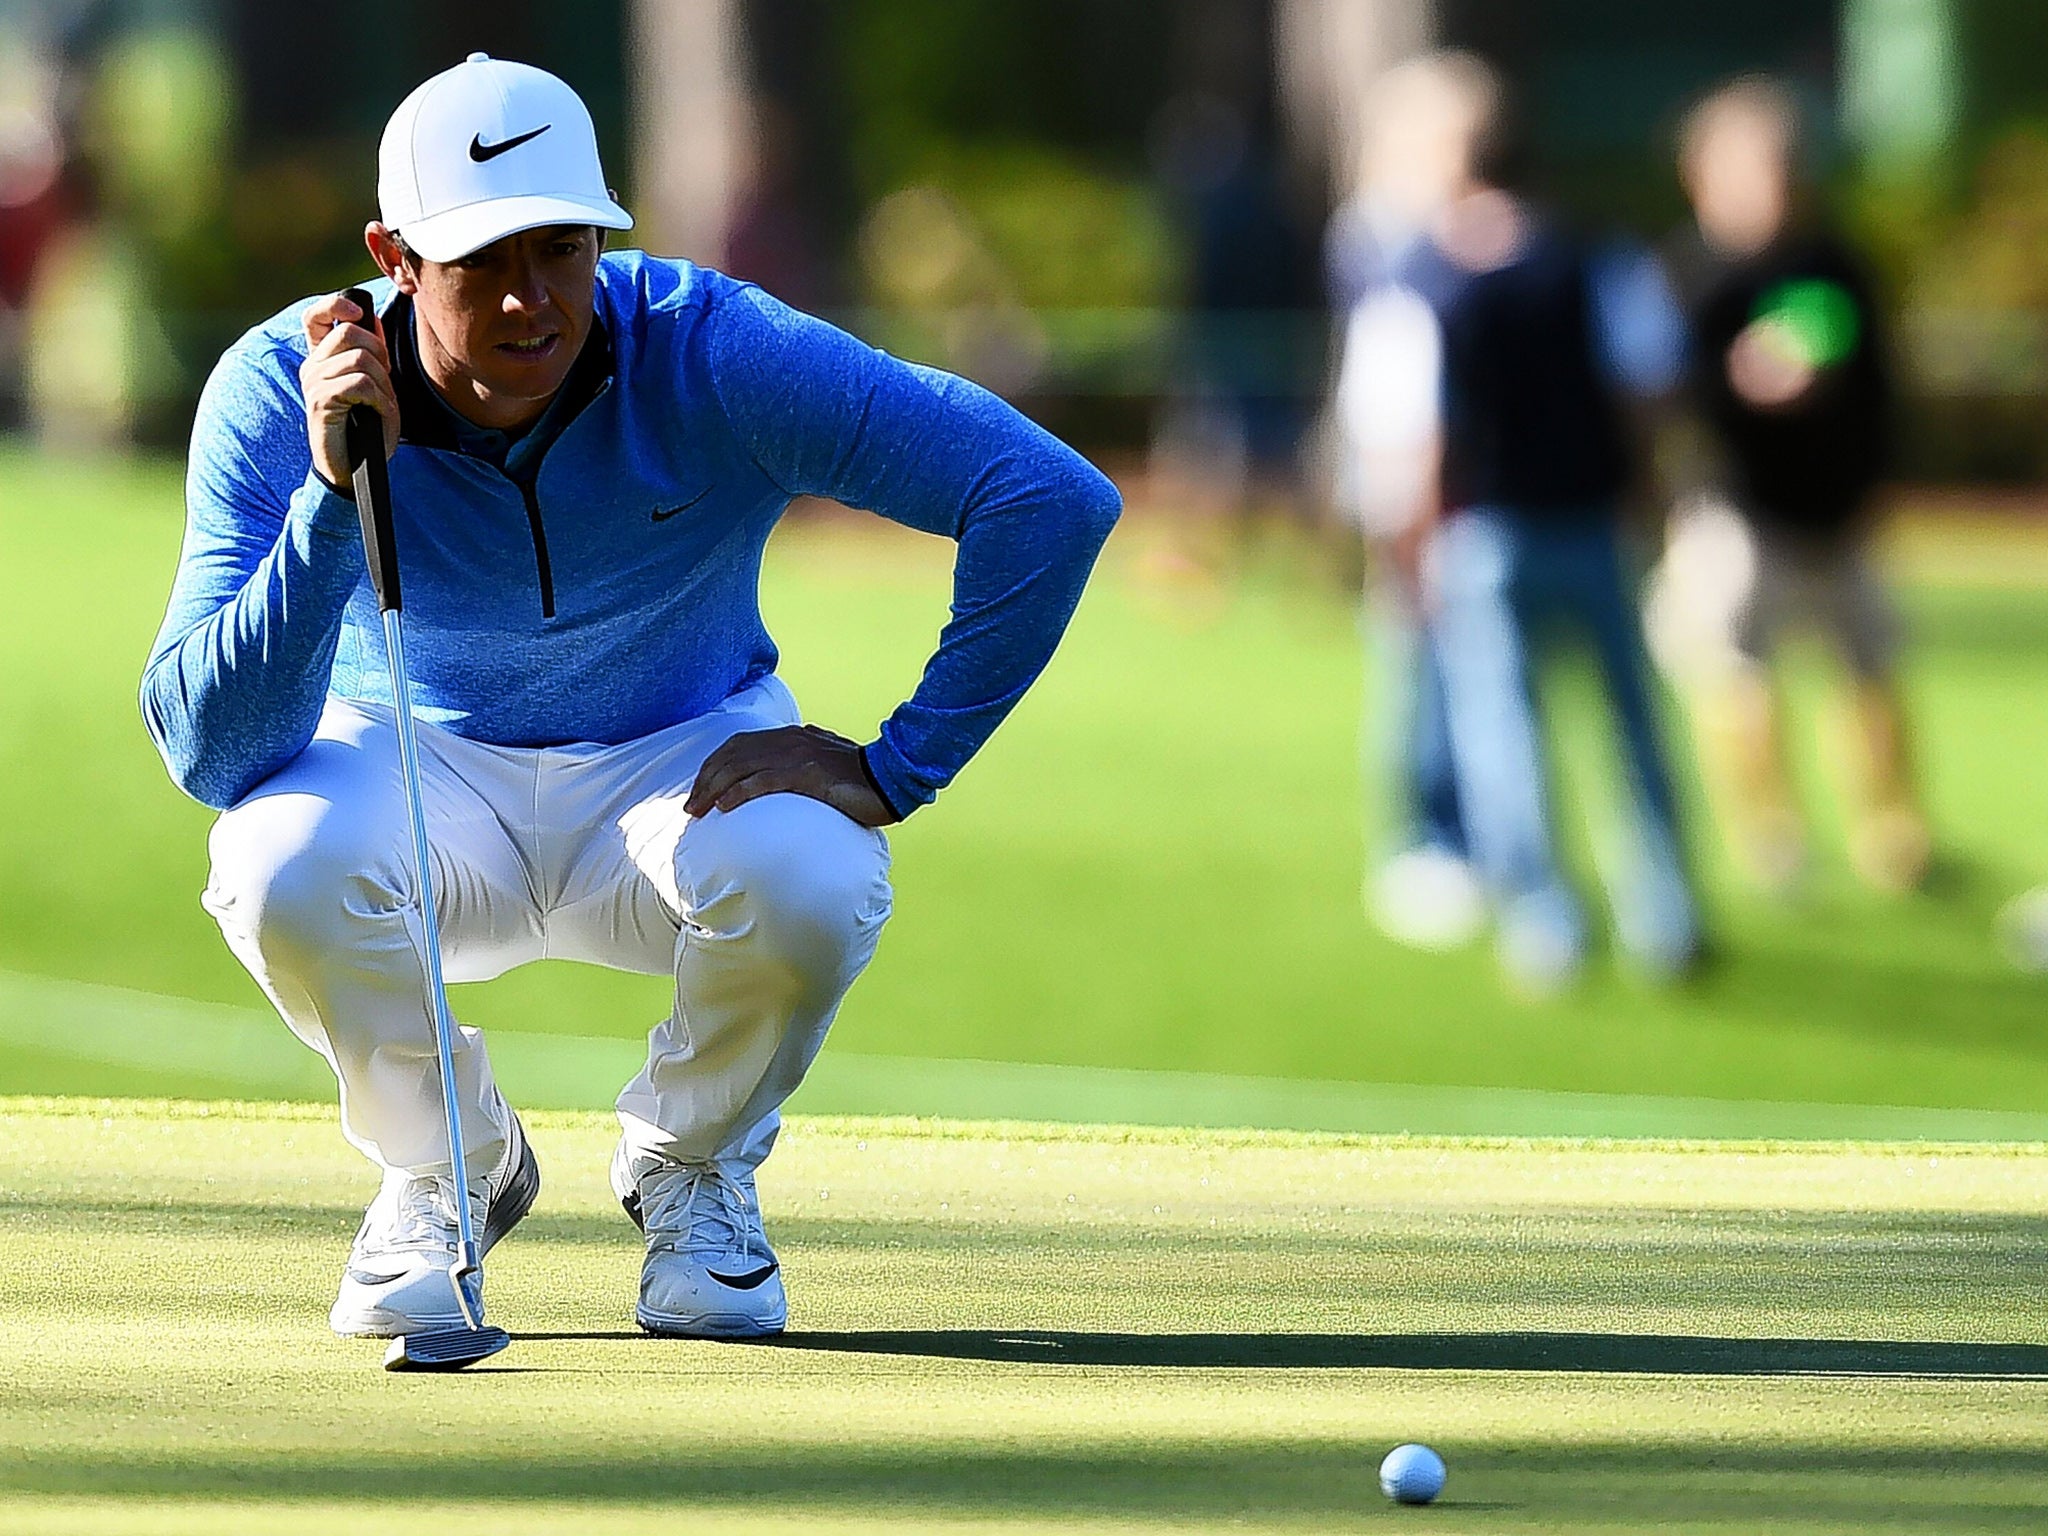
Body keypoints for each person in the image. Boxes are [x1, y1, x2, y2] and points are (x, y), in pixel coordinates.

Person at [138, 55, 1120, 1344]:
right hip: (411, 769)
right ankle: (448, 1169)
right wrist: (335, 499)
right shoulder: (282, 384)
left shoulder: (715, 351)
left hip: (680, 755)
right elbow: (214, 752)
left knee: (817, 872)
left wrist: (898, 765)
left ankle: (690, 1166)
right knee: (273, 860)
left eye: (562, 247)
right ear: (394, 256)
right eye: (482, 258)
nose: (531, 297)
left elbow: (1045, 497)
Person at [1341, 52, 1701, 993]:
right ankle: (1667, 915)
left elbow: (1413, 438)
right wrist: (1652, 500)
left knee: (1507, 735)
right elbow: (1648, 386)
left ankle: (1547, 923)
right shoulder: (1593, 251)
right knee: (1632, 725)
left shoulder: (1420, 274)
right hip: (1592, 520)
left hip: (1485, 534)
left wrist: (1409, 551)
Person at [1646, 76, 1930, 894]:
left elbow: (1874, 378)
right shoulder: (1686, 276)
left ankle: (1894, 833)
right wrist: (1735, 385)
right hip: (1737, 509)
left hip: (1838, 508)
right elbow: (1664, 392)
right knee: (1735, 666)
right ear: (1702, 175)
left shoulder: (1830, 264)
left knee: (1870, 666)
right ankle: (1771, 839)